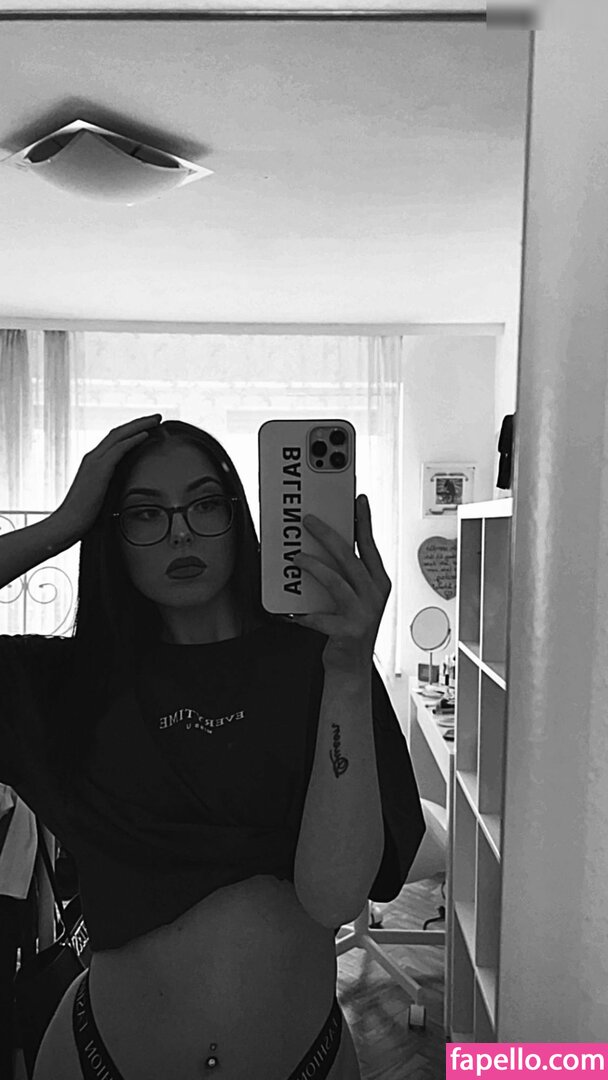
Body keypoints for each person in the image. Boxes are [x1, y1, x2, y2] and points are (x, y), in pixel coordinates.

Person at [0, 416, 425, 1080]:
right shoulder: (67, 685)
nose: (181, 532)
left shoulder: (323, 663)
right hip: (95, 1060)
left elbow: (335, 897)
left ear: (237, 516)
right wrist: (63, 522)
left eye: (204, 505)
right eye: (145, 513)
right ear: (111, 532)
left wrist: (347, 669)